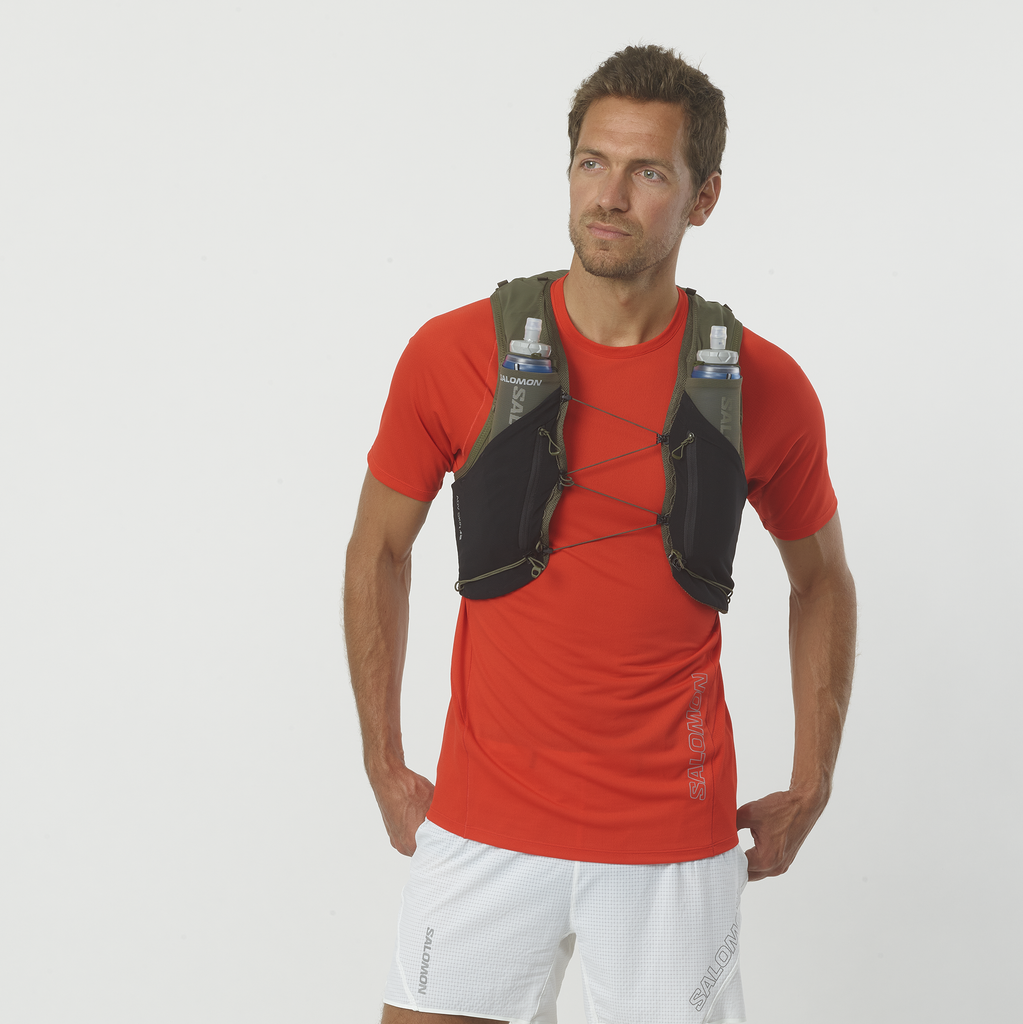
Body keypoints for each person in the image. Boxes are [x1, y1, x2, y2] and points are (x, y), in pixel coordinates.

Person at [345, 44, 856, 1024]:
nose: (609, 196)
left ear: (704, 197)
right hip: (483, 827)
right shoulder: (454, 353)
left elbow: (822, 577)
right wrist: (382, 758)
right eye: (592, 162)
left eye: (648, 172)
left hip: (673, 841)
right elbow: (378, 549)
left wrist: (813, 780)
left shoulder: (764, 385)